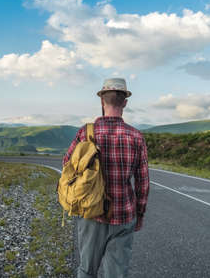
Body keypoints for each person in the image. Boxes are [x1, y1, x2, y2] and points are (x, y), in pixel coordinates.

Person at [62, 78, 150, 278]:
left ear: (102, 101)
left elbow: (67, 167)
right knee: (117, 273)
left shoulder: (86, 133)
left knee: (86, 270)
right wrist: (140, 214)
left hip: (91, 213)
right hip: (124, 214)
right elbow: (143, 182)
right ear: (125, 103)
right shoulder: (136, 137)